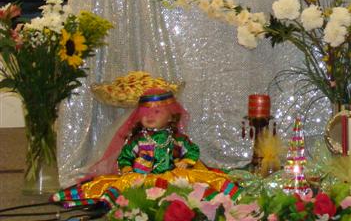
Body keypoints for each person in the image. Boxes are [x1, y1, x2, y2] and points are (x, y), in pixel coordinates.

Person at [52, 88, 238, 209]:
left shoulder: (176, 138)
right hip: (142, 178)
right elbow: (125, 156)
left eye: (157, 111)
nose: (149, 116)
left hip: (173, 176)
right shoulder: (138, 141)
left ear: (171, 116)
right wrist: (127, 168)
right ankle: (104, 200)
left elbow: (192, 150)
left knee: (195, 184)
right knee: (122, 183)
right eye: (145, 112)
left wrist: (186, 161)